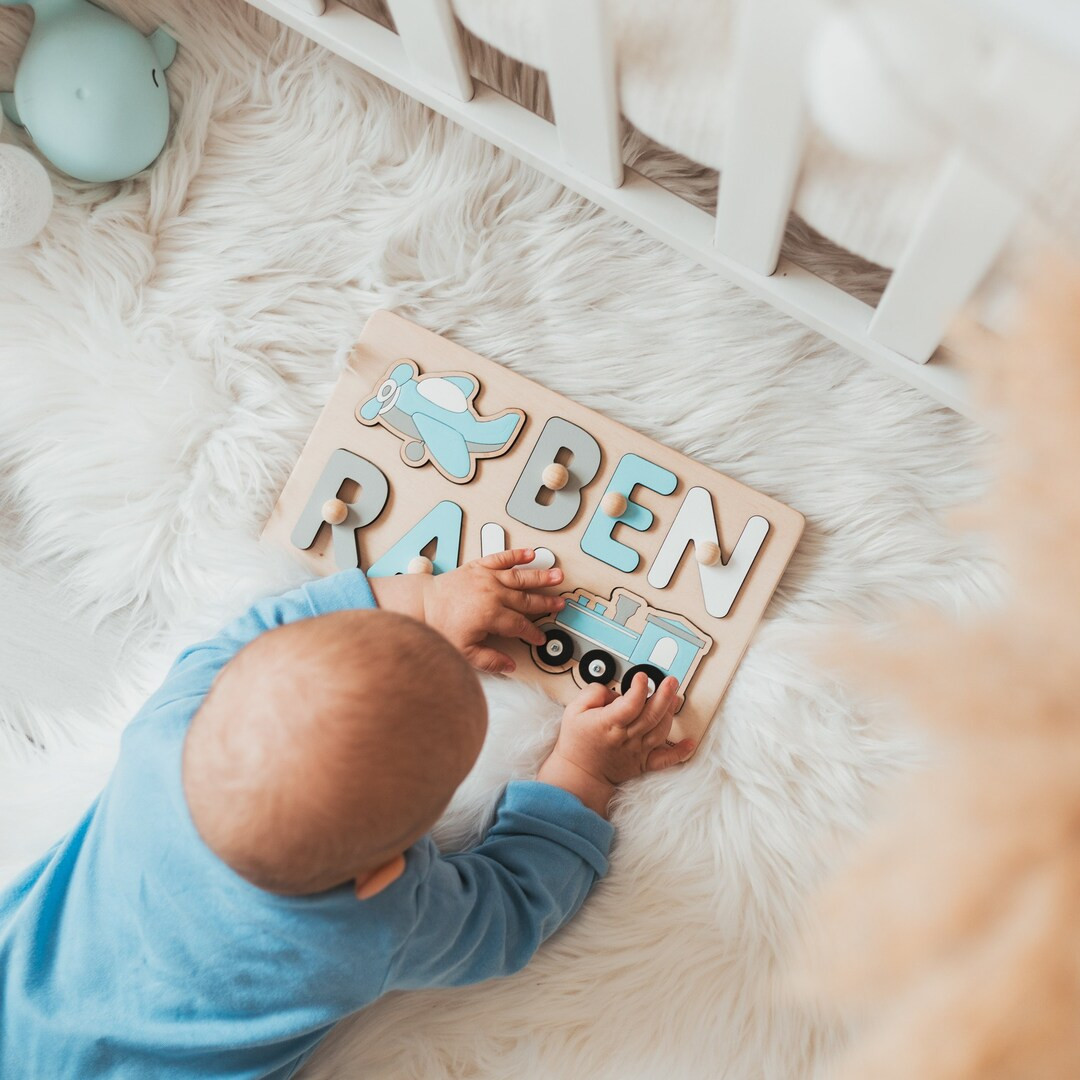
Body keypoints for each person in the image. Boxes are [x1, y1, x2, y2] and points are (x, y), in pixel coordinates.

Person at [0, 550, 695, 1078]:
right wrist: (583, 770)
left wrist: (422, 603)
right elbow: (509, 910)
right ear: (384, 871)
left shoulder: (169, 730)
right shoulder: (367, 927)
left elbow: (264, 630)